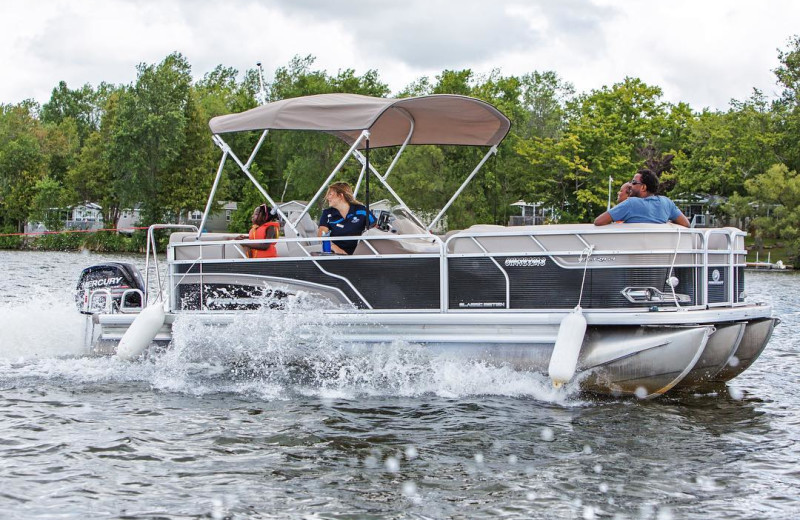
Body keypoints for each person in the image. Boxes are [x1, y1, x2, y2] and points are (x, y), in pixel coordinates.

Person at [594, 169, 690, 227]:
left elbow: (598, 221)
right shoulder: (667, 203)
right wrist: (668, 224)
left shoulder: (631, 203)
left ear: (643, 187)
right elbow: (686, 224)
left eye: (634, 182)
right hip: (660, 254)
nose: (630, 185)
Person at [317, 181, 376, 255]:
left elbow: (376, 229)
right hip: (335, 254)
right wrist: (336, 249)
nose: (327, 197)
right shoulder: (327, 213)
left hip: (359, 254)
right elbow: (321, 234)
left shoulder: (362, 210)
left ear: (340, 196)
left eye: (330, 194)